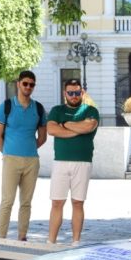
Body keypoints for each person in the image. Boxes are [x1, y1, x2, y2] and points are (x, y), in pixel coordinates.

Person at [0, 70, 47, 241]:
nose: (28, 87)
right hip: (11, 160)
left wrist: (28, 148)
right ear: (18, 84)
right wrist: (9, 152)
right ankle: (1, 238)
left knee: (26, 203)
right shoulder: (6, 107)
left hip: (32, 161)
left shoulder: (38, 108)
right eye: (25, 83)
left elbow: (43, 137)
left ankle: (22, 237)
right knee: (7, 201)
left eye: (31, 84)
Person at [46, 78, 100, 246]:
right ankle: (51, 242)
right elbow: (51, 129)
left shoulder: (91, 110)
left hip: (83, 162)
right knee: (57, 202)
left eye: (77, 93)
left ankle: (76, 241)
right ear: (65, 94)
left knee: (78, 202)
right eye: (71, 93)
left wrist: (66, 124)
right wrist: (77, 129)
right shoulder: (57, 110)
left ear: (82, 93)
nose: (74, 96)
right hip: (60, 162)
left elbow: (88, 127)